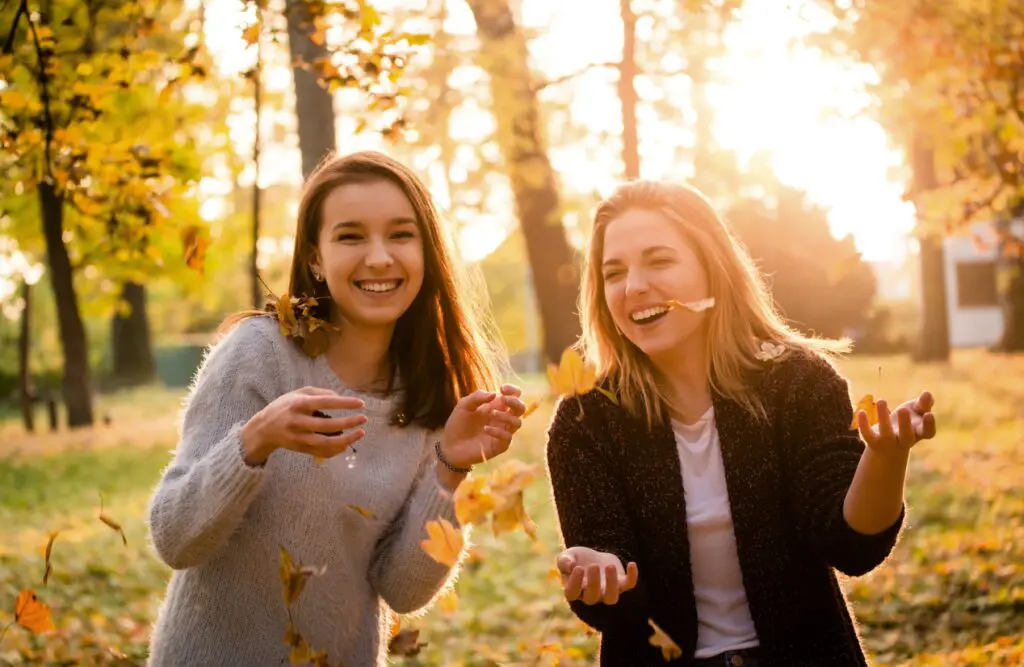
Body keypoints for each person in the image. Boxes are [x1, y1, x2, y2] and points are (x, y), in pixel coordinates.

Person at [146, 151, 527, 667]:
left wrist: (450, 467)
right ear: (315, 259)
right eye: (350, 236)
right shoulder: (258, 354)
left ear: (427, 253)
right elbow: (175, 539)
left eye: (400, 234)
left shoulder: (430, 394)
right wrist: (254, 442)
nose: (378, 257)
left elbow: (404, 590)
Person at [545, 180, 937, 667]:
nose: (634, 286)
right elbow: (616, 608)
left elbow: (851, 547)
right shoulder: (587, 419)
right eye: (614, 272)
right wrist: (600, 574)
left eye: (659, 260)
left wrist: (885, 457)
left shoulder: (798, 384)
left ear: (713, 270)